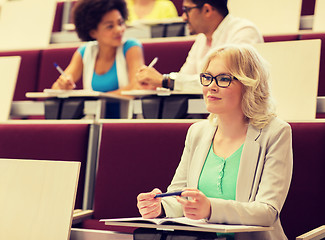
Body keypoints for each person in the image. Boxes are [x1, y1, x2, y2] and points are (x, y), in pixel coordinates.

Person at [137, 44, 293, 240]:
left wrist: (210, 208)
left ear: (249, 84)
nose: (211, 86)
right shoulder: (197, 132)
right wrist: (160, 206)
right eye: (207, 77)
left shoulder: (276, 132)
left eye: (224, 79)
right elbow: (181, 197)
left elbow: (267, 212)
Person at [136, 0, 264, 91]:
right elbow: (184, 77)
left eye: (187, 10)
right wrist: (158, 83)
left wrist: (166, 80)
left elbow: (223, 83)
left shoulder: (244, 32)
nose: (183, 17)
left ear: (207, 10)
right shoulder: (202, 39)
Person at [51, 0, 144, 117]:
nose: (118, 29)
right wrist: (63, 85)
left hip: (126, 122)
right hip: (95, 123)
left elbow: (136, 86)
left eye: (120, 23)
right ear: (93, 32)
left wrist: (98, 98)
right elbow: (56, 88)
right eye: (110, 26)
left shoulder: (131, 47)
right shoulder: (84, 52)